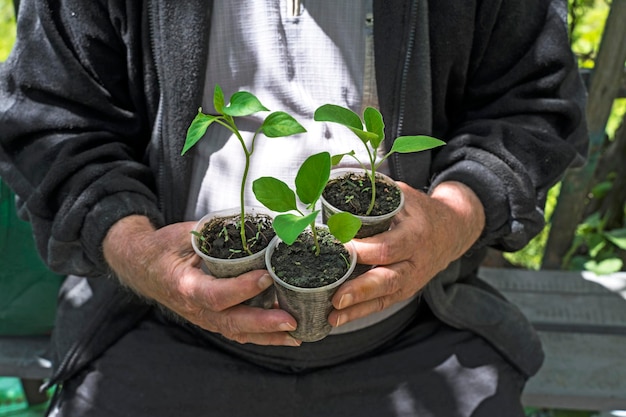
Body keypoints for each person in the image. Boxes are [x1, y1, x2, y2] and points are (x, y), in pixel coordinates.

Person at [0, 0, 588, 416]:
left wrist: (453, 219)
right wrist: (137, 252)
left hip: (421, 332)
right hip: (157, 330)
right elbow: (56, 119)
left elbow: (532, 102)